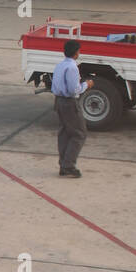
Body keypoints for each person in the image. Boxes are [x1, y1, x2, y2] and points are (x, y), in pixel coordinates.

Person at [51, 39, 89, 177]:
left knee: (64, 133)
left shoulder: (60, 65)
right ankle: (68, 165)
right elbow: (74, 90)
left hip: (59, 101)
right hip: (69, 102)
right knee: (79, 133)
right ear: (76, 53)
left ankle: (63, 163)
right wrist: (87, 85)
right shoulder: (72, 68)